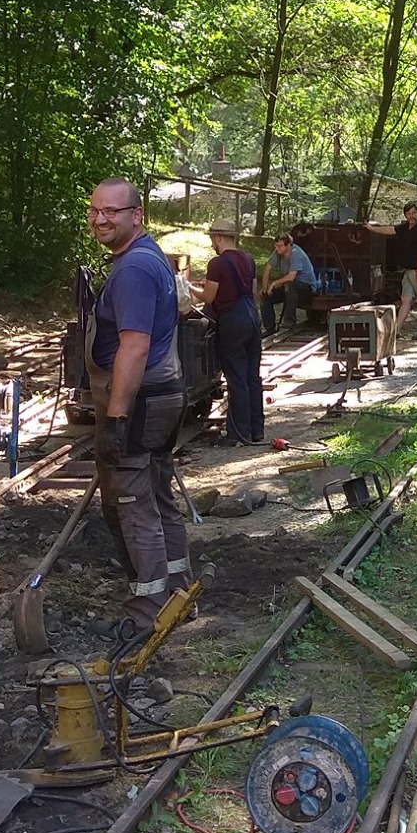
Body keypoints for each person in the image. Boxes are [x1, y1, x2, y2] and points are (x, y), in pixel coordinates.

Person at [87, 178, 191, 634]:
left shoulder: (132, 270)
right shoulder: (152, 259)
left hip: (142, 400)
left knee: (132, 502)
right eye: (95, 210)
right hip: (164, 394)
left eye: (112, 211)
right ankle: (179, 589)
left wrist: (115, 417)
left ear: (137, 214)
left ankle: (149, 611)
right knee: (159, 492)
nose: (101, 219)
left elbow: (134, 346)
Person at [200, 220, 264, 443]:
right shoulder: (249, 260)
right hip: (252, 318)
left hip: (232, 321)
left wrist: (188, 287)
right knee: (252, 376)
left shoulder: (217, 263)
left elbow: (208, 298)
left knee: (236, 377)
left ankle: (239, 433)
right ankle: (257, 429)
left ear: (218, 237)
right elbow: (253, 291)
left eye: (212, 239)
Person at [368, 201, 417, 341]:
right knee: (405, 299)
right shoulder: (404, 228)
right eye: (408, 214)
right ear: (405, 215)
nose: (411, 216)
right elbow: (389, 230)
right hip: (408, 271)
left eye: (414, 213)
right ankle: (396, 330)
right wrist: (371, 228)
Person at [258, 233, 318, 336]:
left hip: (306, 288)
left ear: (288, 245)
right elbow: (268, 269)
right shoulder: (278, 253)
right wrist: (265, 288)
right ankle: (269, 328)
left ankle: (289, 323)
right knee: (265, 297)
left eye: (280, 246)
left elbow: (291, 277)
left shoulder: (296, 253)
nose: (277, 249)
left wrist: (274, 283)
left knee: (289, 285)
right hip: (290, 288)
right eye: (276, 246)